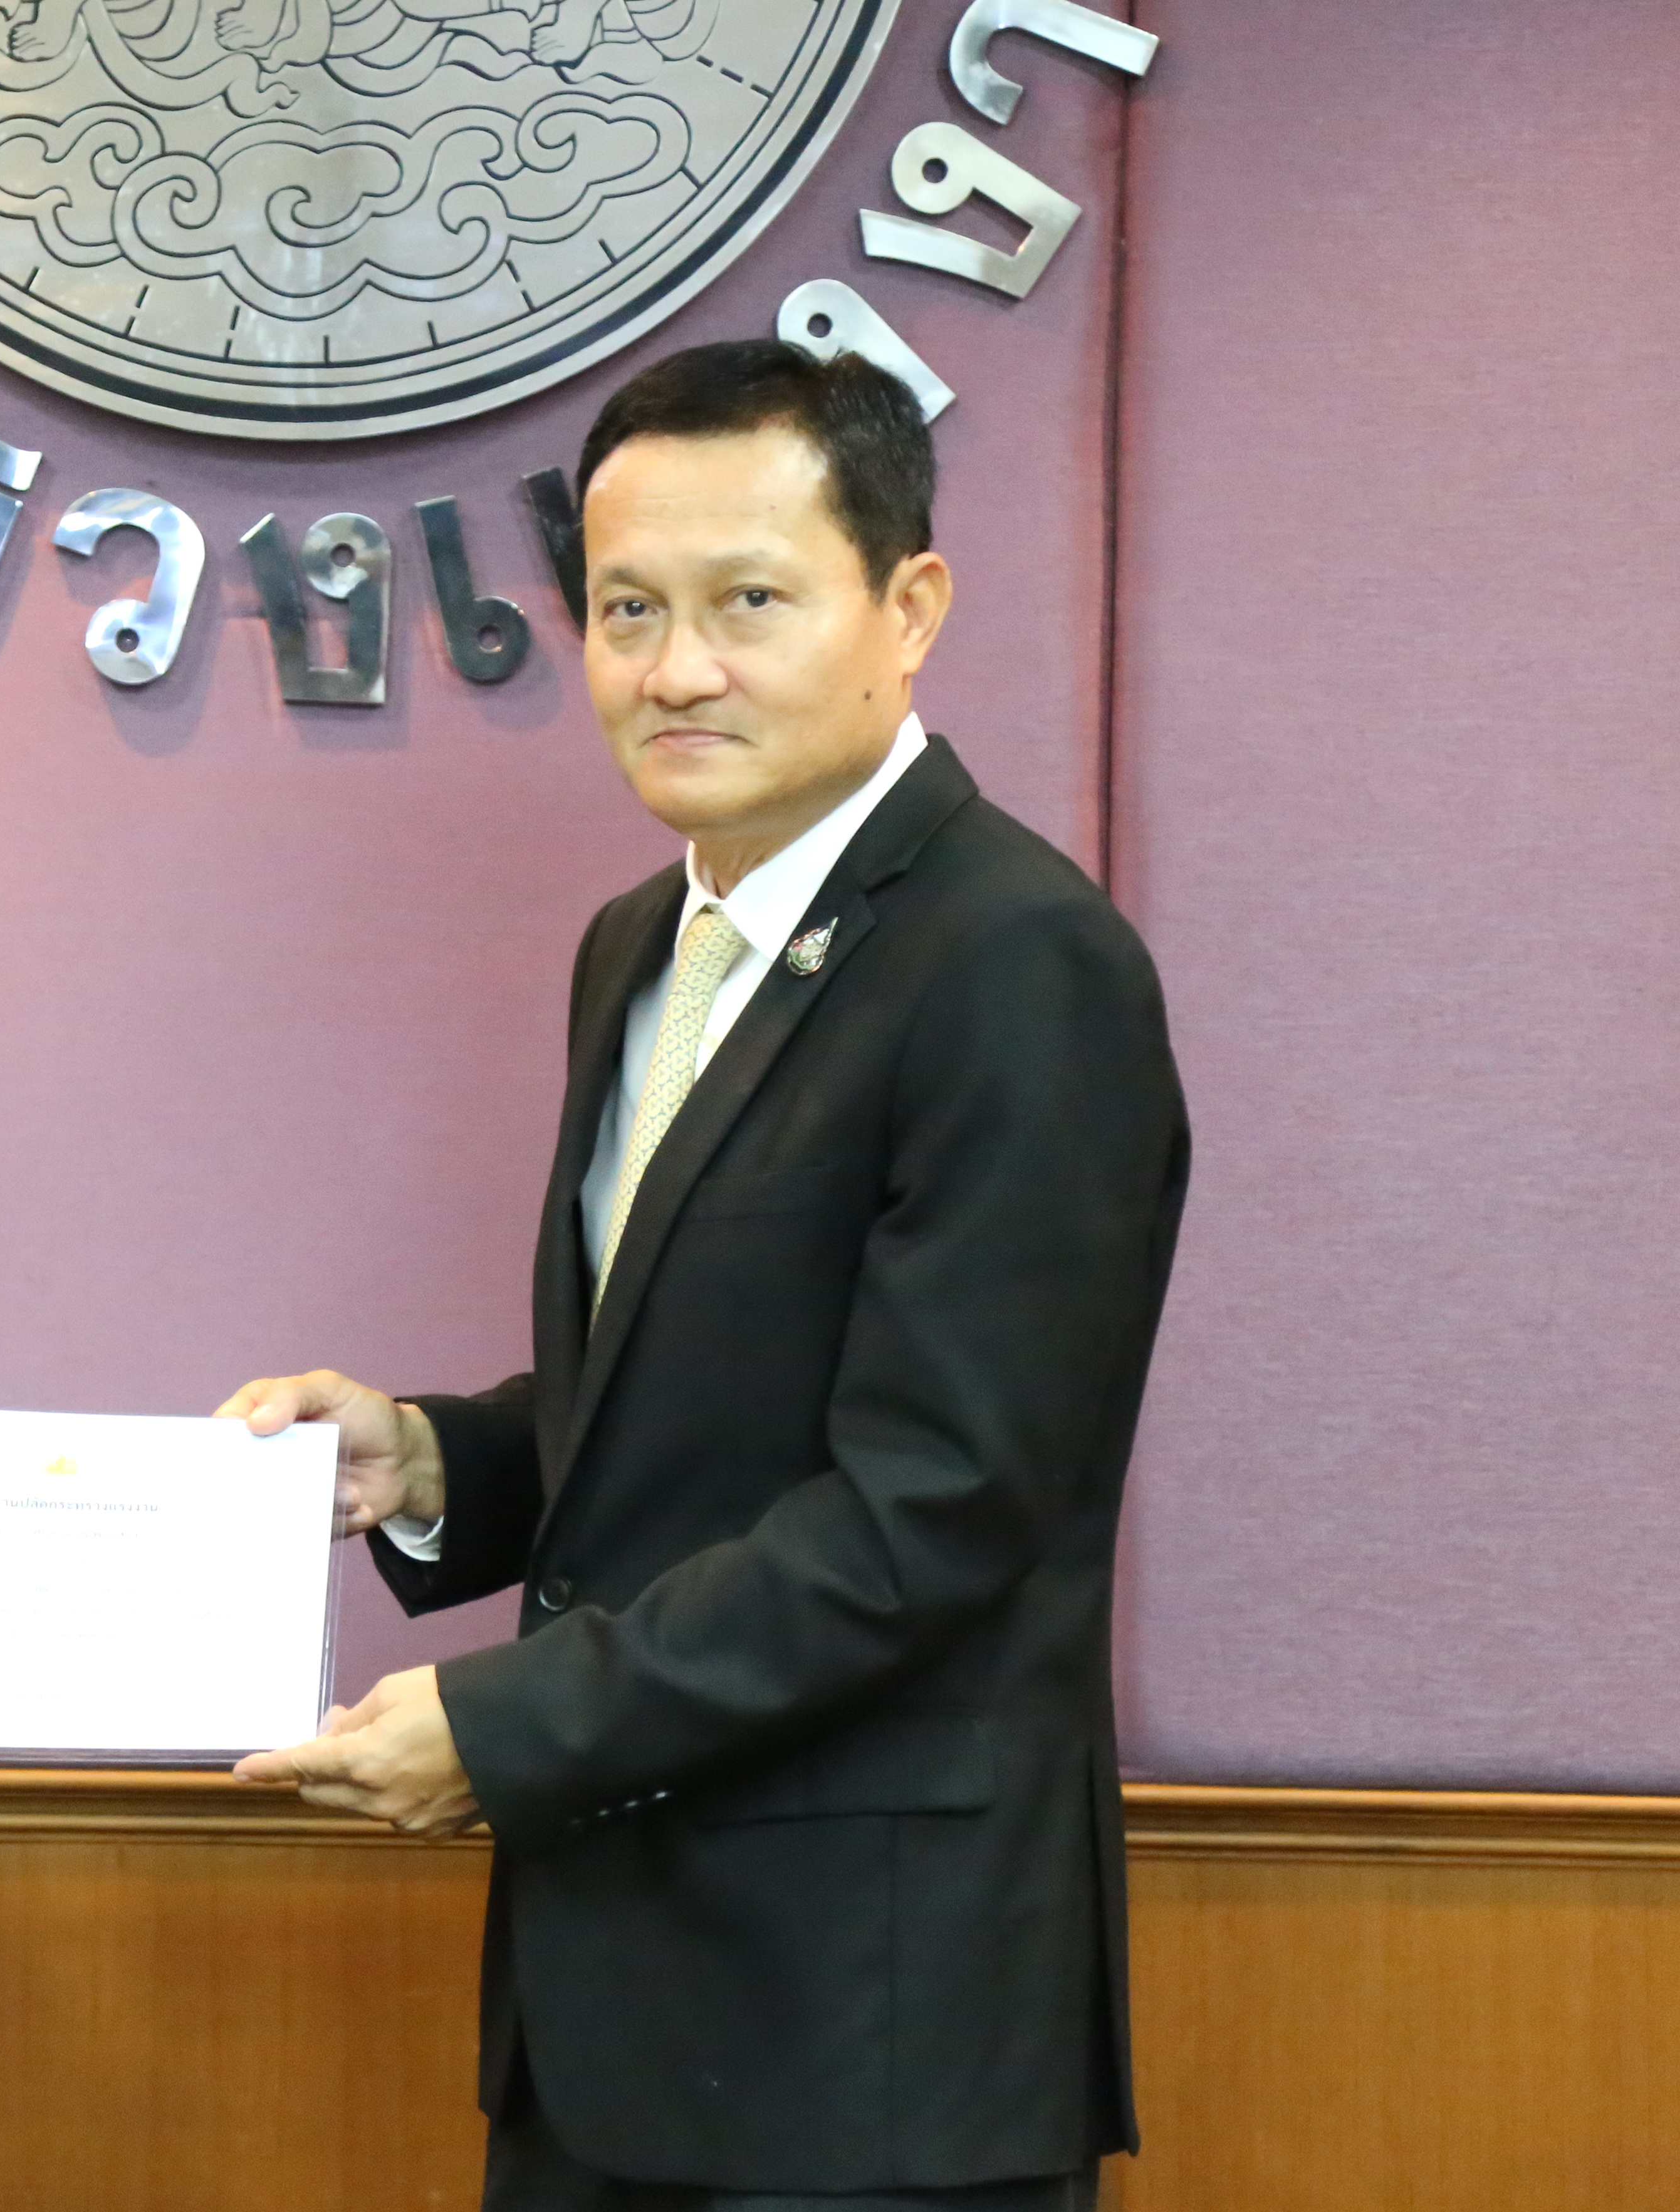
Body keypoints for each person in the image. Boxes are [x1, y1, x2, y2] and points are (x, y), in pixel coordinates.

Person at [221, 341, 1188, 2211]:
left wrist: (507, 1727)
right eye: (627, 609)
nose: (675, 670)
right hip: (610, 2001)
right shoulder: (641, 945)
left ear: (909, 607)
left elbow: (938, 1505)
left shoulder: (1018, 959)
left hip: (865, 2032)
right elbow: (699, 1395)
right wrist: (433, 1461)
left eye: (750, 602)